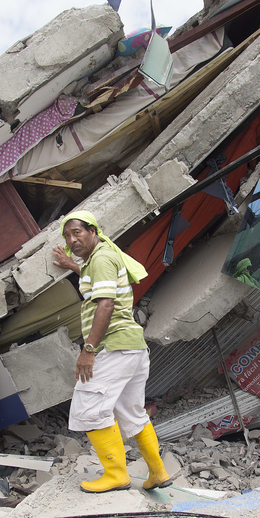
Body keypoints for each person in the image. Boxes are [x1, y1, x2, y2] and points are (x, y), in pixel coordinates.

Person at [50, 210, 172, 493]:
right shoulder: (100, 258)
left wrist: (88, 349)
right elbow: (98, 279)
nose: (72, 239)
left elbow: (105, 305)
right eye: (68, 236)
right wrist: (73, 265)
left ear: (93, 231)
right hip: (132, 349)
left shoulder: (102, 258)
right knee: (132, 412)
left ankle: (117, 474)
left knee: (89, 408)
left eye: (77, 232)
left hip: (113, 347)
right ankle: (158, 472)